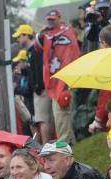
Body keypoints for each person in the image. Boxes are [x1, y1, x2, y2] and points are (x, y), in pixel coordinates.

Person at [34, 9, 81, 144]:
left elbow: (75, 55)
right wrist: (41, 33)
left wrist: (68, 80)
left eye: (53, 19)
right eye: (49, 19)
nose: (50, 21)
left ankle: (63, 147)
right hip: (52, 81)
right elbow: (36, 48)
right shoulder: (46, 34)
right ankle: (71, 145)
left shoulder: (67, 33)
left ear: (59, 18)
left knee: (61, 114)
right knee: (59, 116)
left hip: (64, 80)